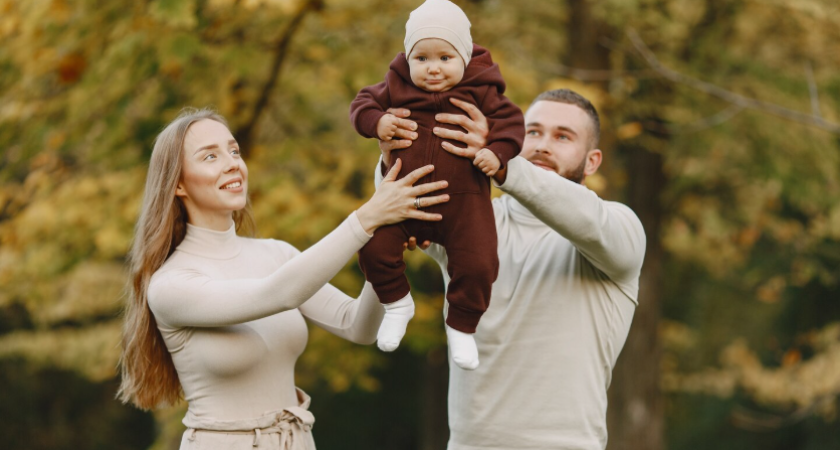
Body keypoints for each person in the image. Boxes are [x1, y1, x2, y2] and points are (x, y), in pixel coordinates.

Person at [117, 108, 450, 450]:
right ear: (178, 184)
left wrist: (386, 252)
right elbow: (278, 293)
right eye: (210, 156)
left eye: (234, 151)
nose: (233, 163)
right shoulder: (170, 285)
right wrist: (367, 218)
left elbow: (358, 326)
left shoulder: (276, 254)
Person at [377, 89, 646, 449]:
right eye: (532, 132)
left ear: (593, 161)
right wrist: (392, 152)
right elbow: (399, 199)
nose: (542, 145)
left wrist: (506, 165)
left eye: (562, 136)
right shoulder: (470, 221)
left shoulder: (619, 227)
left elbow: (587, 219)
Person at [350, 0, 524, 370]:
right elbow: (362, 103)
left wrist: (497, 150)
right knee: (372, 247)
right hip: (404, 202)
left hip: (465, 207)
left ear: (464, 56)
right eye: (422, 58)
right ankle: (397, 303)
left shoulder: (482, 90)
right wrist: (377, 123)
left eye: (445, 58)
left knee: (479, 264)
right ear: (408, 59)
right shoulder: (395, 85)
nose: (432, 69)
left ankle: (462, 326)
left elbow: (512, 123)